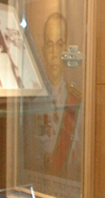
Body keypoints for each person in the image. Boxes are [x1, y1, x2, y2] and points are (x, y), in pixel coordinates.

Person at [29, 12, 82, 179]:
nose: (54, 53)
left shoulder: (77, 102)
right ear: (43, 51)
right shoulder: (32, 99)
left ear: (66, 50)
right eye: (49, 45)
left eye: (59, 45)